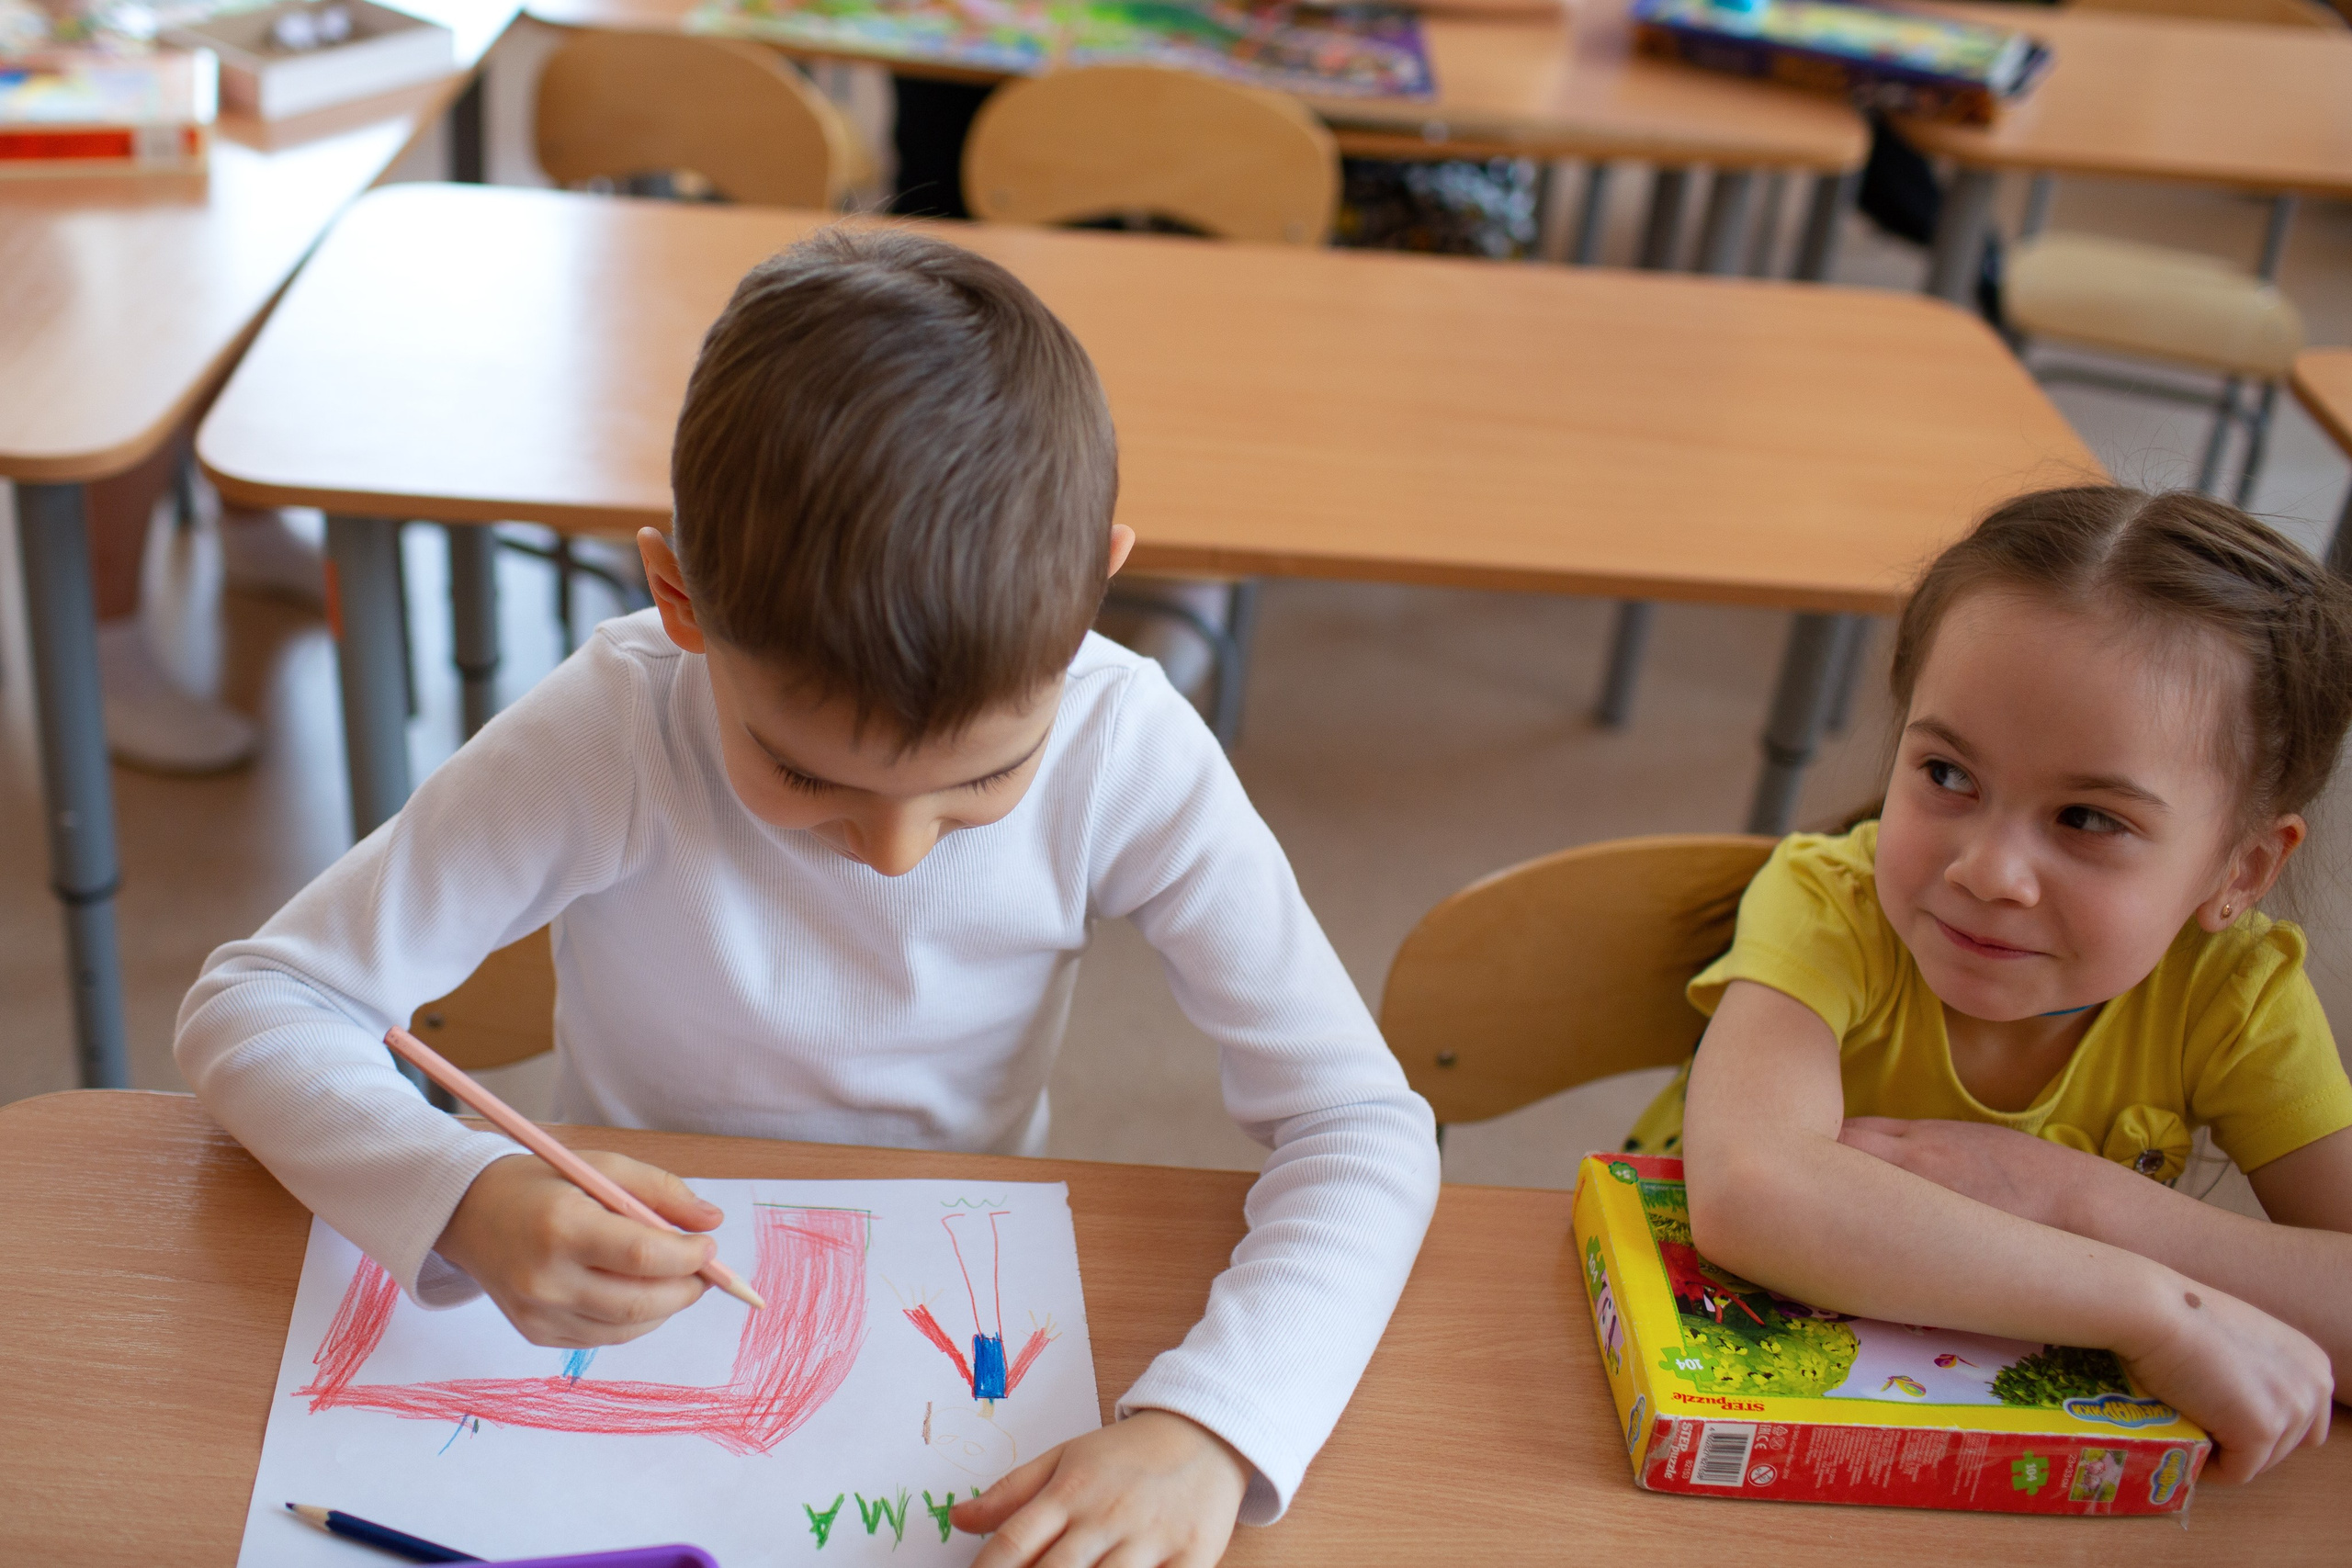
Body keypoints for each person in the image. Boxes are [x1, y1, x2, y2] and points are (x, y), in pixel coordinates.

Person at [175, 228, 1440, 1566]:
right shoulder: (617, 729)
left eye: (985, 777)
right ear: (680, 600)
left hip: (943, 1299)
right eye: (799, 770)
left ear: (1092, 594)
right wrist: (465, 1190)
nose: (895, 854)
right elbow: (256, 1002)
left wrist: (1214, 1426)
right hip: (612, 1289)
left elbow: (1361, 1126)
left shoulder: (1126, 744)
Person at [1630, 486, 2352, 1484]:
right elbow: (1754, 1192)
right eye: (1947, 775)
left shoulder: (2234, 996)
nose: (1986, 873)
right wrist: (2150, 1305)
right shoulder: (1826, 904)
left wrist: (2074, 1200)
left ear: (2239, 870)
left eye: (2087, 821)